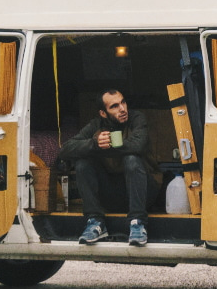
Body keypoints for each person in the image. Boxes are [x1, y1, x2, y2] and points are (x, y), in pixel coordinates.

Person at [57, 88, 156, 246]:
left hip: (143, 192)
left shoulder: (137, 118)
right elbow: (66, 149)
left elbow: (138, 145)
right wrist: (95, 144)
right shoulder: (96, 124)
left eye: (123, 102)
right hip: (110, 194)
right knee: (82, 163)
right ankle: (95, 221)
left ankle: (138, 223)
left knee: (132, 159)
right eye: (114, 106)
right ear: (103, 113)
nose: (122, 109)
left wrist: (107, 146)